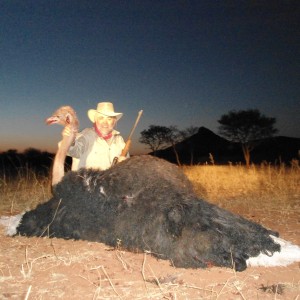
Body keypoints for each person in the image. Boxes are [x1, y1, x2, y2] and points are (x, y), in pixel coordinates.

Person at [63, 102, 128, 171]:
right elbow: (74, 151)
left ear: (114, 122)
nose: (105, 123)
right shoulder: (86, 135)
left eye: (109, 119)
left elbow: (128, 166)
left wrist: (125, 163)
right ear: (95, 120)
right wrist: (71, 140)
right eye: (101, 118)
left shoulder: (119, 140)